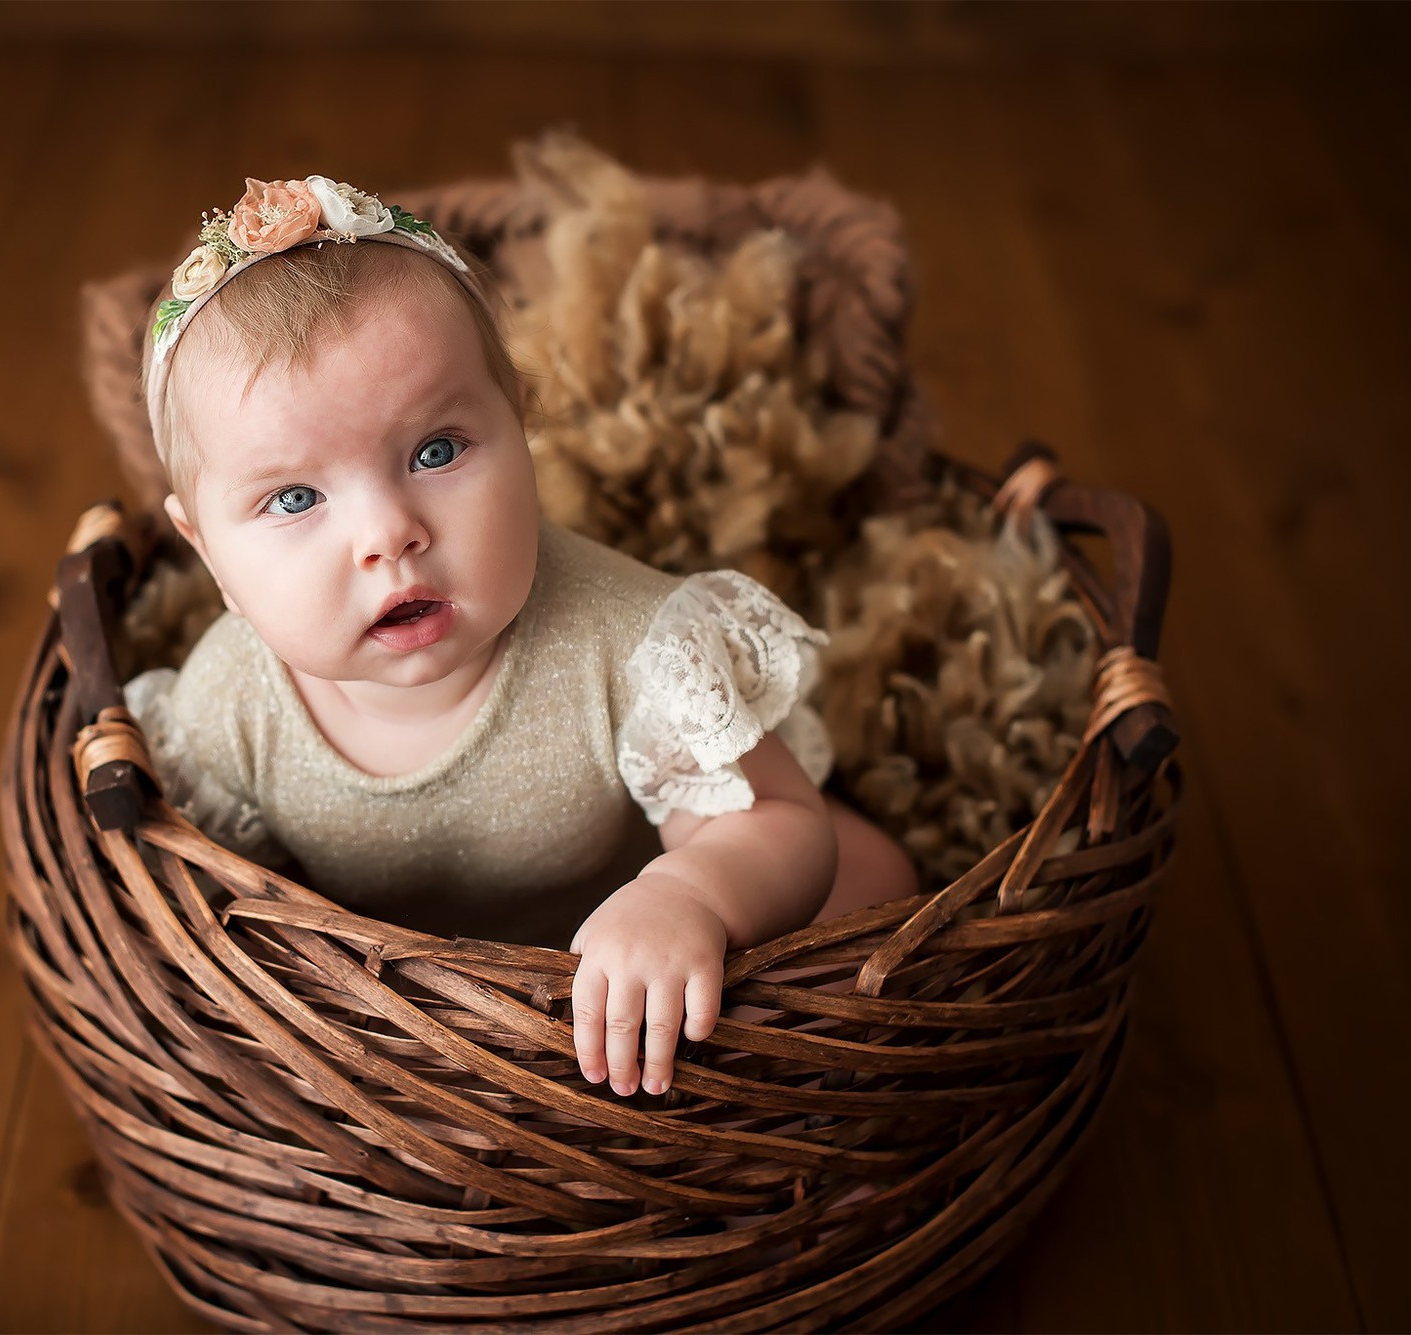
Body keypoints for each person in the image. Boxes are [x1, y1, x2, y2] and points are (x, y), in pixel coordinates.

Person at [122, 174, 918, 1101]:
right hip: (417, 1031)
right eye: (294, 498)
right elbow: (202, 897)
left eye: (436, 451)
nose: (388, 533)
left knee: (871, 882)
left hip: (631, 971)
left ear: (523, 429)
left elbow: (775, 819)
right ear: (207, 552)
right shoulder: (226, 701)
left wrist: (692, 895)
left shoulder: (629, 643)